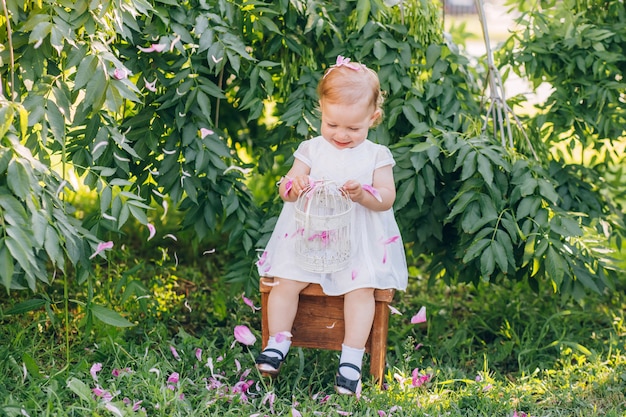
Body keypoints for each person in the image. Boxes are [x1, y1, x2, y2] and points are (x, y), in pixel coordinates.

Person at [255, 55, 408, 395]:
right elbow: (288, 188)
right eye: (332, 124)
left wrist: (363, 194)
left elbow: (387, 197)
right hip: (309, 237)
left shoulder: (376, 155)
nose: (341, 134)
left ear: (374, 118)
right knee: (285, 281)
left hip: (357, 243)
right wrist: (292, 187)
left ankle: (351, 359)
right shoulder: (310, 149)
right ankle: (278, 342)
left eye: (354, 128)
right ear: (321, 112)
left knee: (361, 290)